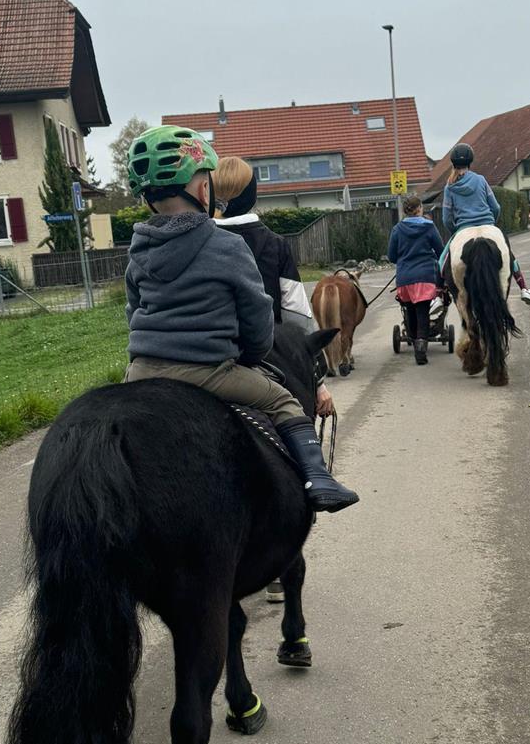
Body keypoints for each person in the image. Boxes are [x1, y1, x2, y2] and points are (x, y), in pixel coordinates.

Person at [123, 124, 358, 513]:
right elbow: (256, 319)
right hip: (208, 371)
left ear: (147, 200)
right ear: (203, 190)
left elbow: (134, 312)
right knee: (283, 401)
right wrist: (251, 353)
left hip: (141, 372)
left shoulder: (138, 248)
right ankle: (320, 480)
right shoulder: (226, 245)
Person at [213, 155, 334, 419]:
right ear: (252, 195)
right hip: (266, 358)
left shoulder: (198, 242)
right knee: (297, 426)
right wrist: (319, 384)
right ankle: (311, 460)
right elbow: (297, 317)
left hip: (207, 359)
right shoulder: (274, 245)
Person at [442, 143, 530, 304]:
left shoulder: (449, 187)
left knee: (443, 259)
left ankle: (438, 294)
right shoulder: (481, 180)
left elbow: (446, 218)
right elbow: (496, 207)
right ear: (470, 162)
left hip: (463, 228)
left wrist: (456, 231)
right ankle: (524, 288)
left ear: (453, 163)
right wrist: (491, 222)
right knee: (508, 253)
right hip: (488, 223)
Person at [387, 195, 444, 365]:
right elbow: (440, 250)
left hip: (405, 277)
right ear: (419, 209)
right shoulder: (429, 227)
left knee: (409, 309)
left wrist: (404, 259)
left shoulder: (397, 229)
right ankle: (421, 349)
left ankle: (412, 337)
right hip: (425, 276)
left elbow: (391, 256)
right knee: (422, 311)